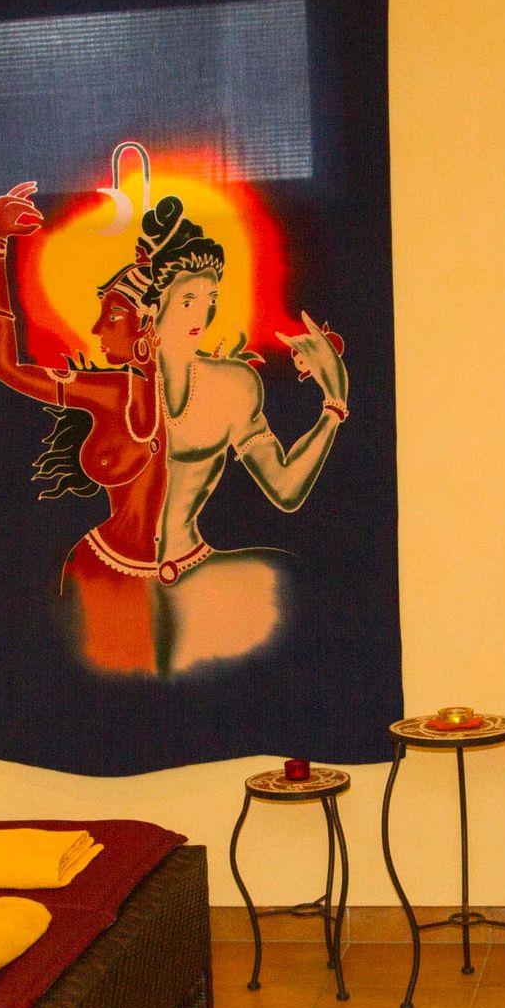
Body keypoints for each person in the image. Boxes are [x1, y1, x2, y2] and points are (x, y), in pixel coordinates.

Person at [141, 199, 350, 670]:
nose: (201, 315)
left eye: (210, 300)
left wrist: (333, 405)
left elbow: (286, 489)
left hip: (193, 568)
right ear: (156, 305)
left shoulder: (234, 385)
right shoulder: (121, 385)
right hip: (117, 574)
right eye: (188, 300)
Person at [0, 181, 168, 674]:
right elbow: (5, 366)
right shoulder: (111, 390)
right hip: (104, 568)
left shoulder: (191, 391)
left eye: (113, 314)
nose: (98, 328)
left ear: (149, 325)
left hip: (156, 573)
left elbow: (5, 364)